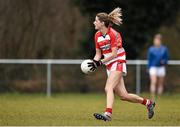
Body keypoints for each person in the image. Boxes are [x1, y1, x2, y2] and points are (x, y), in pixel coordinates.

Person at [87, 7, 155, 121]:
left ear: (102, 23)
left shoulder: (114, 34)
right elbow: (98, 54)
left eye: (96, 20)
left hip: (118, 60)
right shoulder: (97, 35)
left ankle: (107, 114)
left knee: (108, 87)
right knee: (124, 96)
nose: (94, 22)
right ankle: (148, 103)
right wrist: (93, 63)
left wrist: (99, 63)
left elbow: (114, 54)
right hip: (109, 64)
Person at [147, 34, 169, 101]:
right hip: (153, 67)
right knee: (153, 81)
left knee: (160, 83)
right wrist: (148, 67)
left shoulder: (164, 49)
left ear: (160, 41)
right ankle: (153, 97)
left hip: (161, 68)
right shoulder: (151, 49)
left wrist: (164, 61)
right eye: (155, 40)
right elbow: (149, 59)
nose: (156, 42)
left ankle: (159, 97)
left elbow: (167, 58)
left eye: (157, 40)